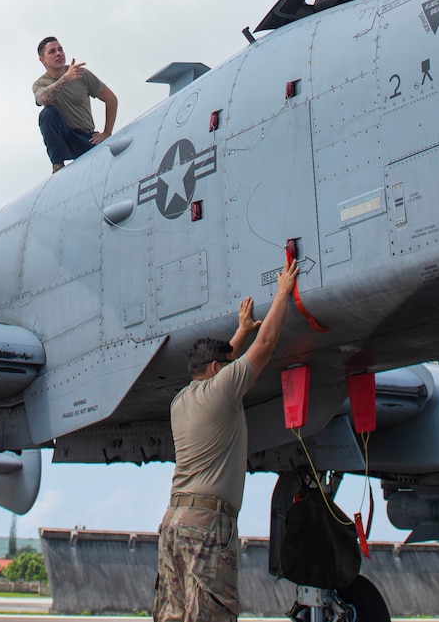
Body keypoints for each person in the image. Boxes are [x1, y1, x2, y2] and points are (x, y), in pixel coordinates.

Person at [154, 257, 300, 622]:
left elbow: (220, 361)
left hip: (174, 521)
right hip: (206, 525)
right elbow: (266, 345)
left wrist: (239, 331)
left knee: (172, 614)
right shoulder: (222, 390)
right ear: (219, 370)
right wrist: (282, 293)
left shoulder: (181, 400)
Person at [32, 37, 117, 172]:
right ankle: (57, 164)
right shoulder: (40, 84)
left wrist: (107, 132)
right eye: (52, 52)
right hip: (64, 137)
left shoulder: (81, 74)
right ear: (42, 60)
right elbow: (43, 99)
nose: (59, 54)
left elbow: (111, 99)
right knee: (48, 113)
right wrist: (65, 79)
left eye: (60, 49)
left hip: (86, 138)